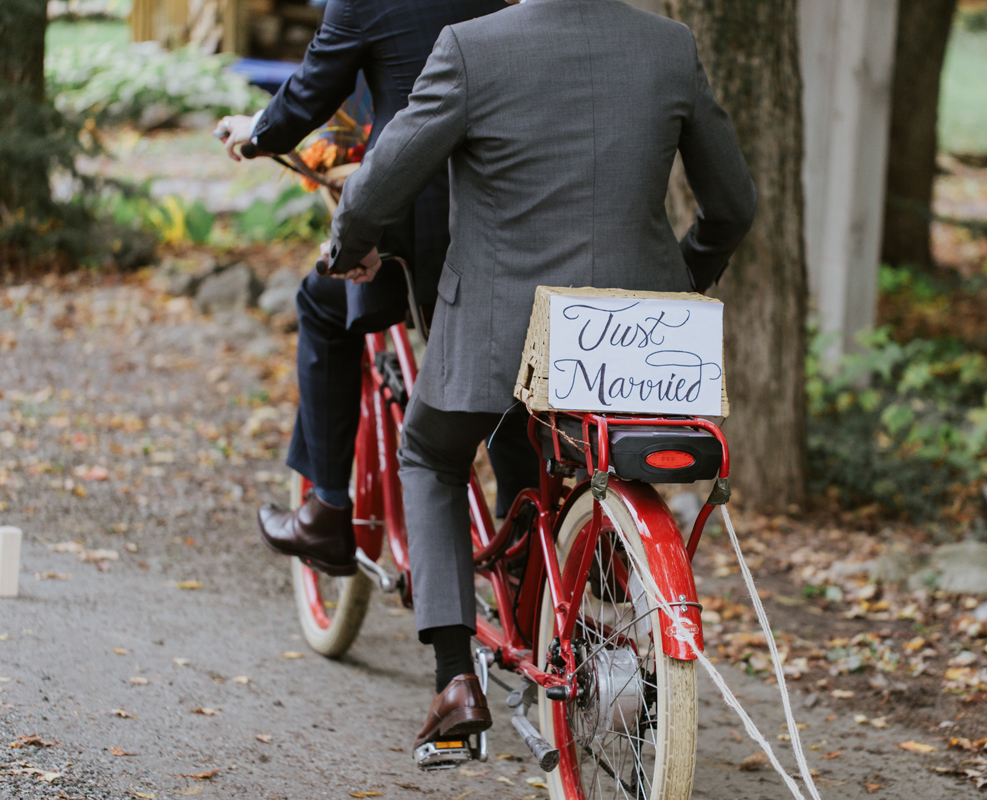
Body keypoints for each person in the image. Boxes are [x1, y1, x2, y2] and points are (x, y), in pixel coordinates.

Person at [323, 0, 757, 748]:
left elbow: (383, 179)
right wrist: (681, 278)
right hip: (633, 340)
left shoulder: (470, 48)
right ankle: (573, 587)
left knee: (429, 455)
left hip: (499, 341)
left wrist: (350, 242)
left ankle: (454, 677)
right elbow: (733, 205)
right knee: (572, 449)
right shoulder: (669, 47)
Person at [213, 0, 537, 578]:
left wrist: (258, 131)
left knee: (321, 302)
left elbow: (314, 90)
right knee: (506, 360)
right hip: (517, 206)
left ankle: (327, 510)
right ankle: (527, 546)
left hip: (418, 215)